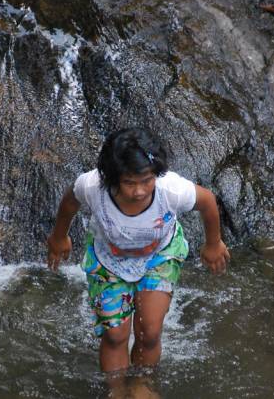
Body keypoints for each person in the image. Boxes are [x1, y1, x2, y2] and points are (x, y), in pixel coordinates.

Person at [46, 127, 230, 376]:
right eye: (129, 183)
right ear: (112, 178)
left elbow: (207, 201)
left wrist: (213, 243)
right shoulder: (92, 186)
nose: (139, 191)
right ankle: (118, 388)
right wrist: (59, 237)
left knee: (149, 332)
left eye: (146, 180)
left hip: (159, 255)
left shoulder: (170, 189)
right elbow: (70, 201)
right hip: (108, 260)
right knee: (114, 335)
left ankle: (144, 383)